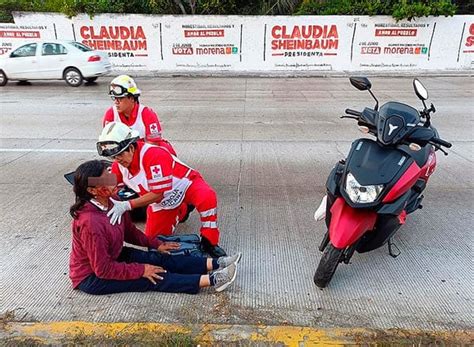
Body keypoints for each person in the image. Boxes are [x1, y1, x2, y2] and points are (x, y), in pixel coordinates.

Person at [69, 160, 241, 295]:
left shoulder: (115, 202)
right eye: (105, 179)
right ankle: (214, 280)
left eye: (110, 175)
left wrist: (155, 243)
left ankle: (217, 263)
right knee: (152, 277)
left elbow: (129, 231)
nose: (113, 180)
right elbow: (103, 269)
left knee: (158, 258)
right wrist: (141, 270)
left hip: (113, 255)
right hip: (93, 276)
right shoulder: (90, 222)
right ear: (93, 190)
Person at [96, 122, 227, 258]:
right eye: (113, 157)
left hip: (186, 185)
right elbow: (107, 185)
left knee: (207, 197)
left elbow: (157, 194)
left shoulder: (153, 155)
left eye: (120, 155)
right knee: (154, 243)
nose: (117, 160)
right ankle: (182, 209)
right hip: (162, 204)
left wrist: (127, 205)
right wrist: (85, 183)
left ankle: (210, 240)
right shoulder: (119, 166)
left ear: (131, 147)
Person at [103, 75, 176, 156]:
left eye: (120, 98)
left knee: (164, 151)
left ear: (132, 98)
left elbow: (153, 144)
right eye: (114, 98)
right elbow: (108, 144)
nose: (116, 102)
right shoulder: (111, 114)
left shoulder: (147, 114)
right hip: (124, 156)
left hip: (146, 154)